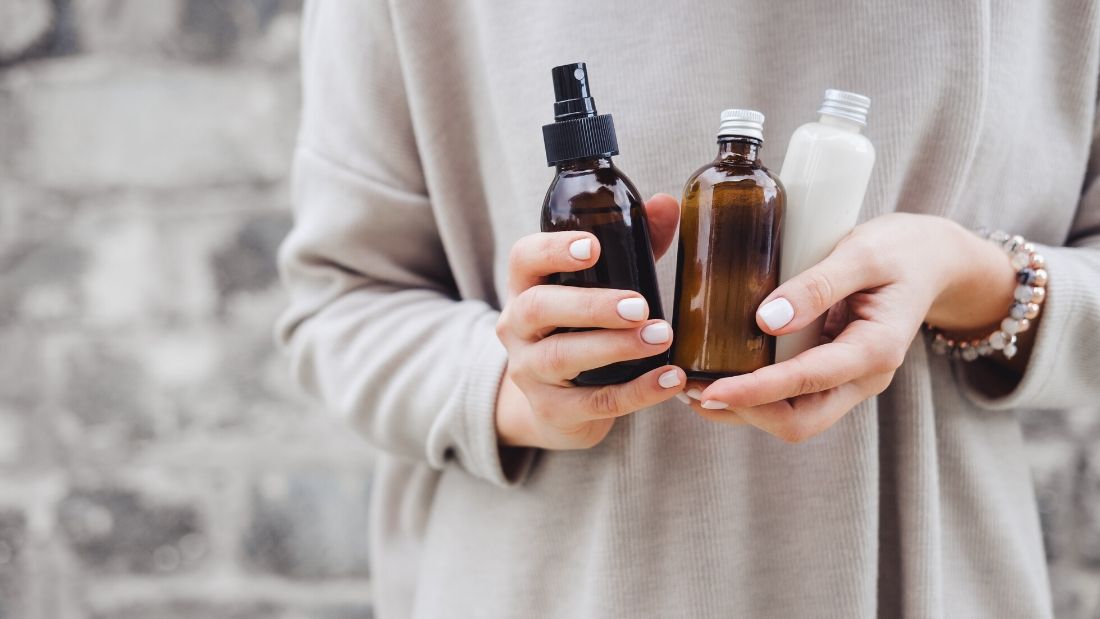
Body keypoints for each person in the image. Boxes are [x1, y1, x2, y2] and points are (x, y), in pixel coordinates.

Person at [277, 2, 1100, 617]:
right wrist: (517, 387)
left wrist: (978, 281)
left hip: (927, 575)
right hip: (559, 583)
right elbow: (338, 303)